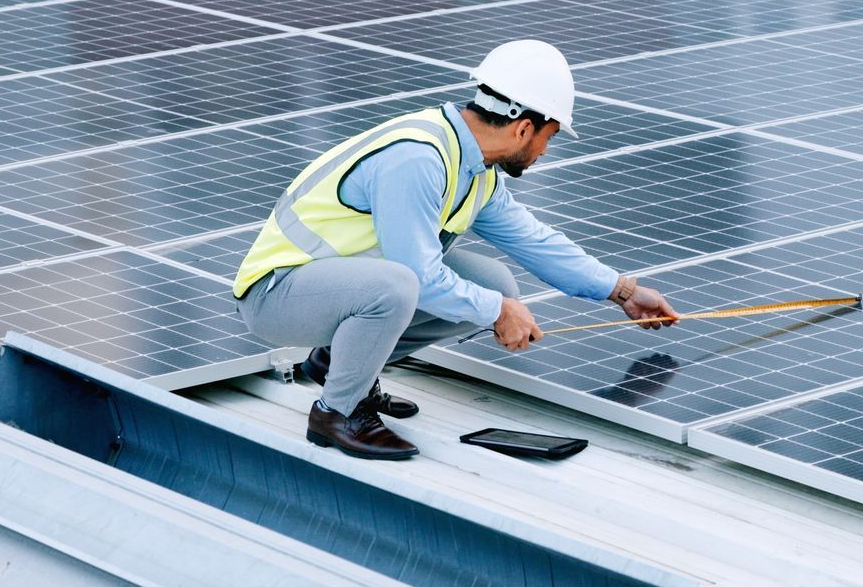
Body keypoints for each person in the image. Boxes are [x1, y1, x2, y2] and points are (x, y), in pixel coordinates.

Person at [232, 39, 680, 460]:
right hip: (277, 294)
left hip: (338, 286)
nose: (545, 150)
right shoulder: (418, 158)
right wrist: (497, 312)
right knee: (406, 287)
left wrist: (621, 291)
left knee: (493, 283)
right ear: (525, 127)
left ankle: (340, 365)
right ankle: (337, 414)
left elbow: (532, 239)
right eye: (550, 136)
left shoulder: (474, 168)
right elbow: (418, 276)